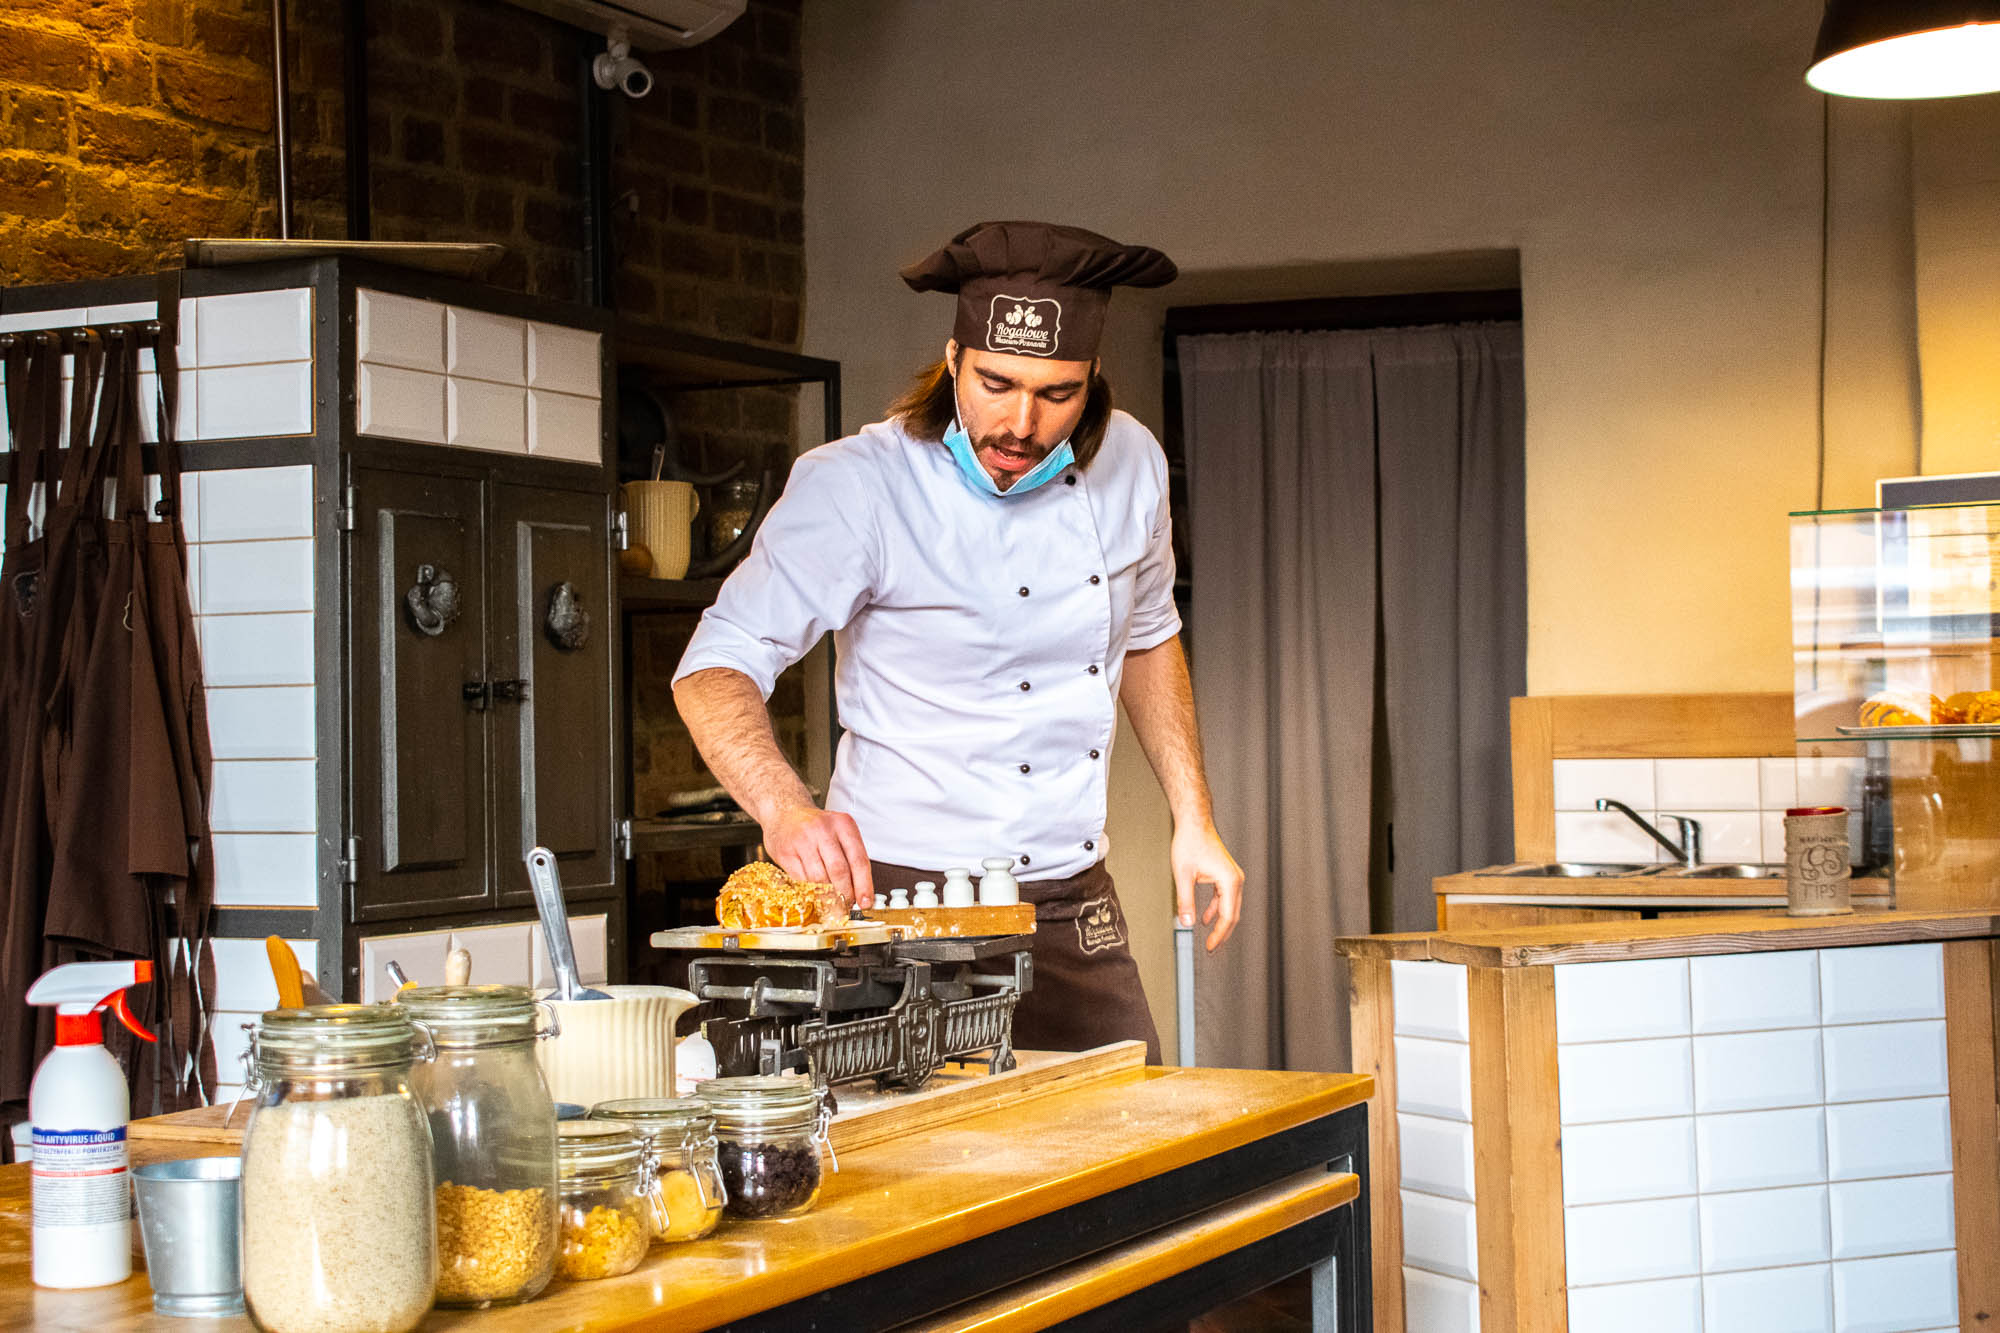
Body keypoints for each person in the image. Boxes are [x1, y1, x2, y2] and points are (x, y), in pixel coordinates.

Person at [672, 220, 1244, 1061]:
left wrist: (1194, 816)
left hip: (1069, 899)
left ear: (1093, 382)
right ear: (952, 361)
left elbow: (1151, 636)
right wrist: (784, 806)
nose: (1020, 422)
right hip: (901, 908)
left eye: (1058, 394)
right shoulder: (859, 485)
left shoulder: (1134, 465)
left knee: (1138, 1159)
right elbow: (712, 667)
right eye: (996, 383)